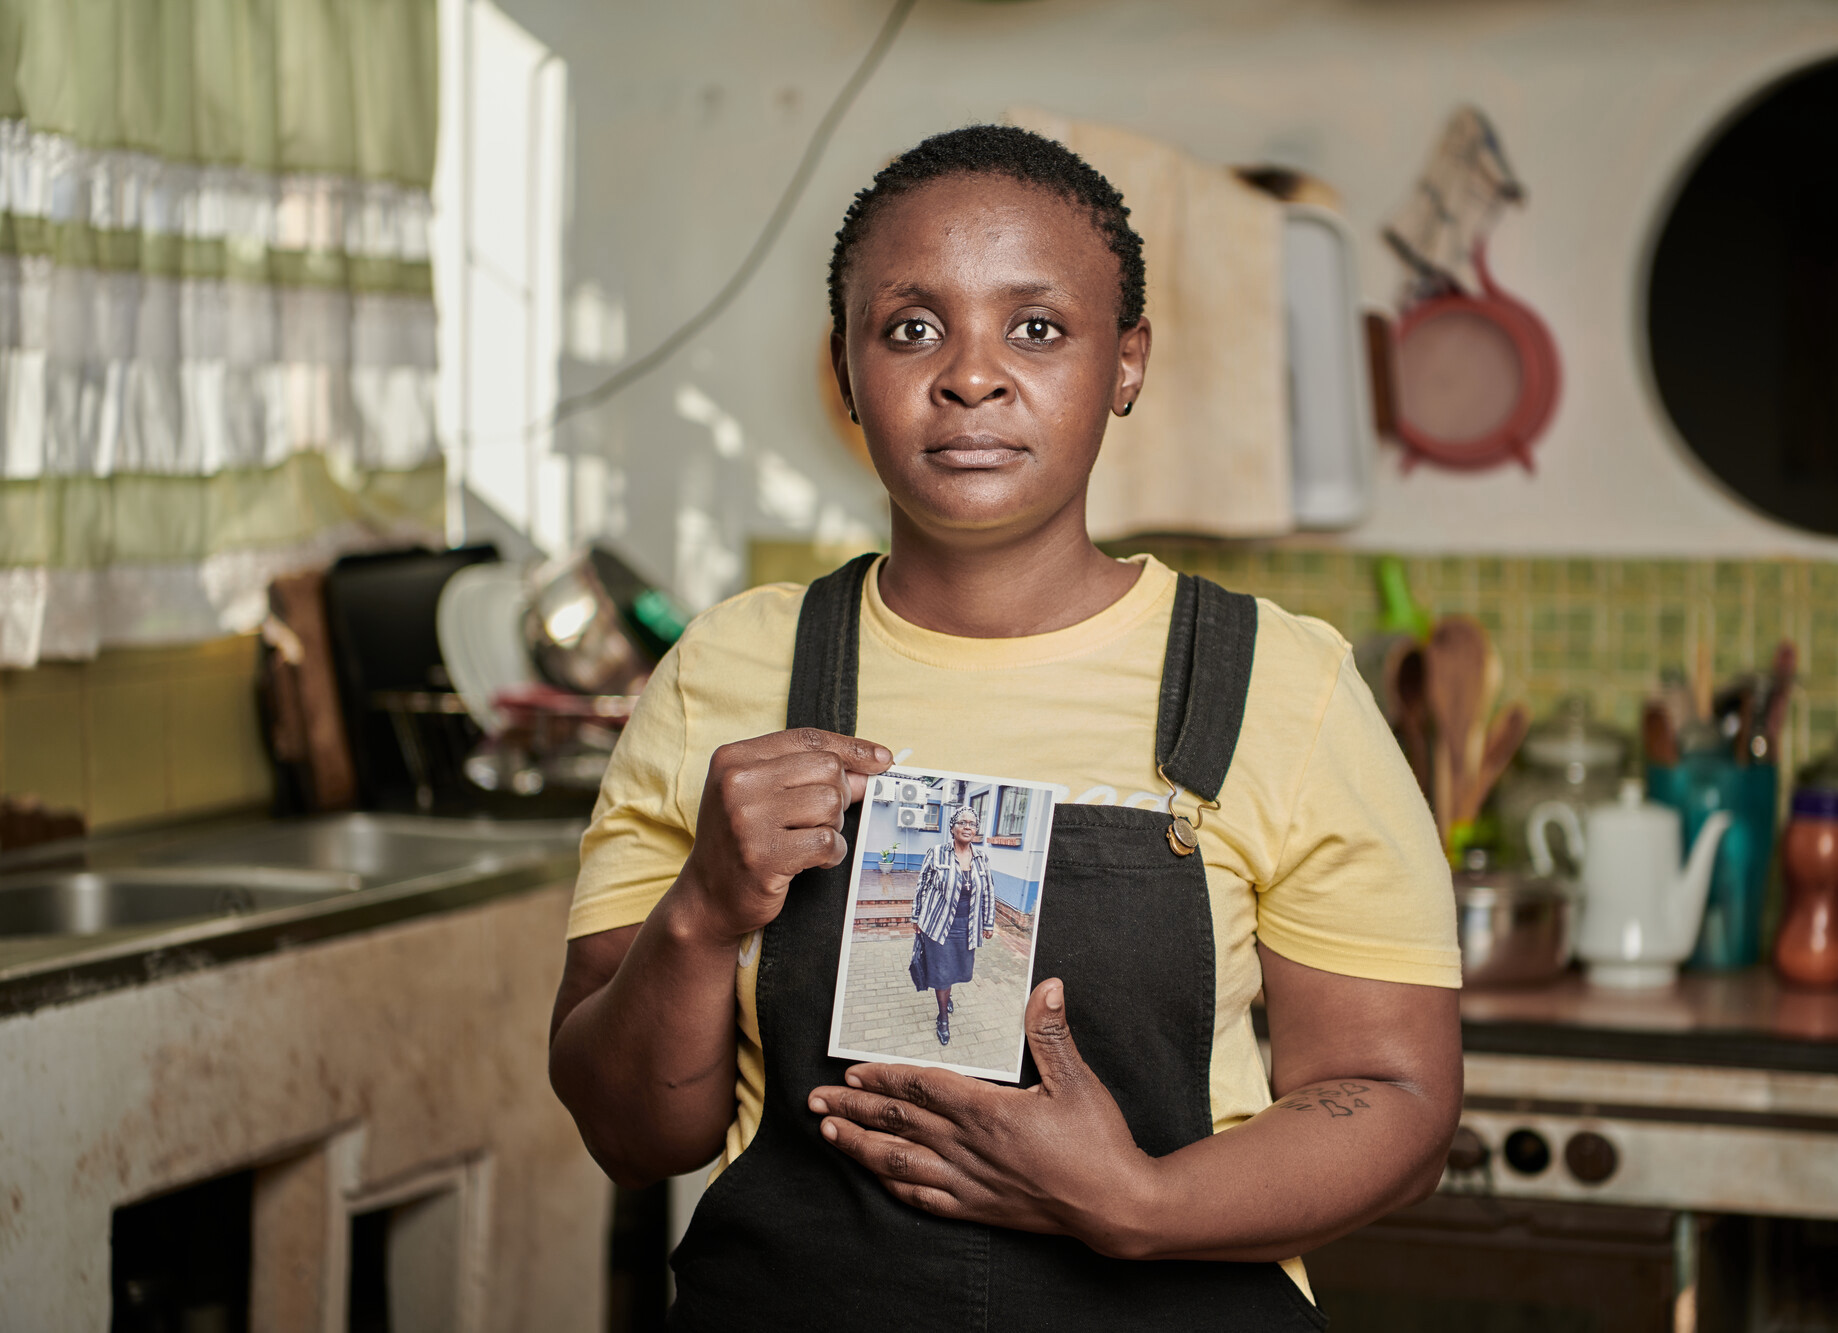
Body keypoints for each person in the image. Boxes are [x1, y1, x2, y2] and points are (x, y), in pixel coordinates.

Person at [549, 124, 1461, 1330]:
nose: (969, 376)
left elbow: (1394, 1100)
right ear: (845, 369)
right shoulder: (727, 672)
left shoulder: (1276, 688)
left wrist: (1137, 1201)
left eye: (1036, 327)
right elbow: (630, 1134)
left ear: (1125, 363)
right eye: (911, 327)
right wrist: (703, 911)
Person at [910, 805, 997, 1045]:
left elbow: (988, 890)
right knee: (941, 971)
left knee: (956, 968)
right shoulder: (937, 853)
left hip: (966, 925)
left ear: (976, 831)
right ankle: (942, 1018)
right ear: (952, 828)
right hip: (938, 924)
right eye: (962, 822)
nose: (967, 826)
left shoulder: (981, 857)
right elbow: (922, 886)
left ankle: (946, 996)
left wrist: (988, 923)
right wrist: (916, 917)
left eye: (972, 824)